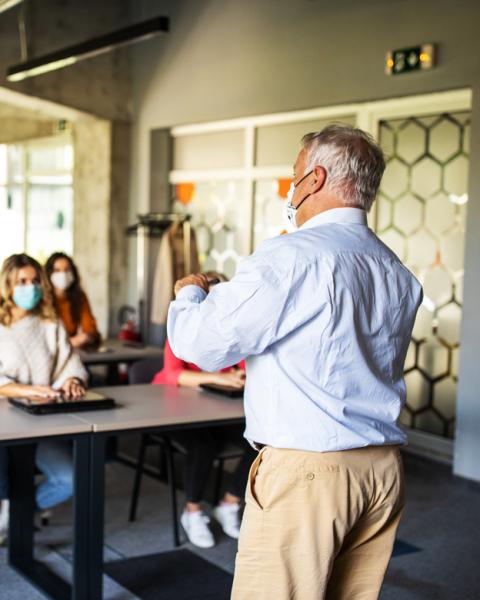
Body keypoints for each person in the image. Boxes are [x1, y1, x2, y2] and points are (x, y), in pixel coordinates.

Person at [168, 125, 422, 600]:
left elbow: (200, 345)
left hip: (310, 475)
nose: (291, 186)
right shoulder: (396, 271)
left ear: (315, 179)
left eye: (294, 174)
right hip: (382, 471)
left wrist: (190, 295)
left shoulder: (291, 258)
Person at [0, 253, 88, 546]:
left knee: (71, 479)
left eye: (34, 281)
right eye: (21, 282)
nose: (29, 287)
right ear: (7, 286)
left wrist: (72, 379)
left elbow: (70, 364)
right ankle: (9, 502)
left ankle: (15, 510)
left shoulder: (50, 324)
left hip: (35, 422)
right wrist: (25, 390)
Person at [152, 271, 257, 548]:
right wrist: (219, 377)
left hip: (217, 410)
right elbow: (174, 375)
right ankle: (193, 512)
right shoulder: (182, 327)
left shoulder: (232, 330)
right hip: (173, 410)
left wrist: (241, 376)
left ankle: (229, 504)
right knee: (203, 447)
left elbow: (246, 368)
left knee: (258, 439)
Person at [44, 252, 101, 349]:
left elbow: (91, 330)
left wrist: (86, 336)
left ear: (73, 272)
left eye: (67, 270)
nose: (63, 274)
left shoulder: (79, 297)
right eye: (57, 270)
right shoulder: (42, 299)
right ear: (49, 274)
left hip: (71, 351)